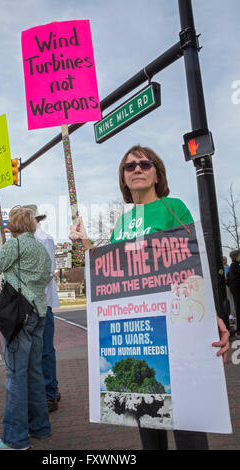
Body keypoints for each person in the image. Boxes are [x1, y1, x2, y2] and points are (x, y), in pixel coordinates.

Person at [70, 144, 230, 450]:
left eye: (144, 164)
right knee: (147, 421)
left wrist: (214, 315)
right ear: (124, 179)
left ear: (157, 173)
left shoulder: (174, 208)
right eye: (129, 167)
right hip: (139, 336)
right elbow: (108, 271)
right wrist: (85, 242)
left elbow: (195, 268)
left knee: (189, 427)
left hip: (177, 331)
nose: (138, 170)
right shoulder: (121, 223)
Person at [0, 206, 52, 450]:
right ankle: (40, 427)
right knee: (35, 373)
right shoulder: (41, 249)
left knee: (15, 376)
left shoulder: (15, 246)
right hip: (39, 314)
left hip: (19, 317)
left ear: (12, 225)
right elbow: (46, 277)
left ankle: (16, 438)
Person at [23, 204, 61, 411]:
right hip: (24, 305)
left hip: (42, 303)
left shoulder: (45, 239)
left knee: (45, 350)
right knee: (30, 351)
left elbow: (48, 271)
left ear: (36, 220)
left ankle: (49, 393)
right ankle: (46, 389)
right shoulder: (20, 241)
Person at [228, 249, 240, 335]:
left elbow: (228, 279)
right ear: (235, 257)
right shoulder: (235, 266)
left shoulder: (233, 265)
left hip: (235, 289)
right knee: (239, 309)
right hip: (237, 290)